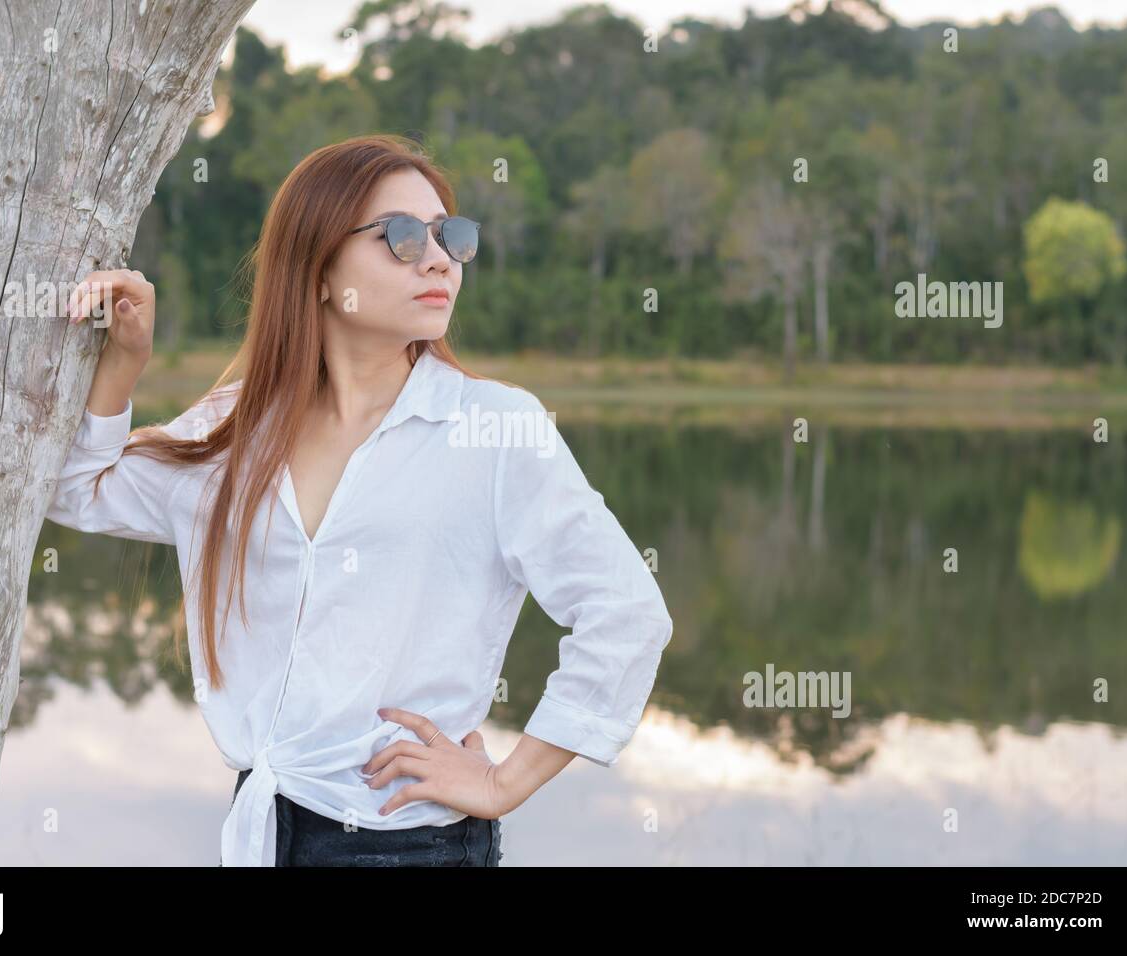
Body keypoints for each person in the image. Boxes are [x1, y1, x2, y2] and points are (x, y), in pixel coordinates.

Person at [45, 133, 673, 866]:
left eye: (451, 237)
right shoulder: (236, 427)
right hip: (263, 829)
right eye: (401, 238)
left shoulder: (494, 429)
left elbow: (626, 615)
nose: (438, 259)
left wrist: (506, 783)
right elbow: (80, 491)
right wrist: (124, 362)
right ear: (316, 270)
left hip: (412, 843)